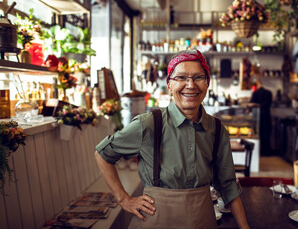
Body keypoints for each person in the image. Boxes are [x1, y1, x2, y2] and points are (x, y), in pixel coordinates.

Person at [94, 49, 249, 229]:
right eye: (181, 77)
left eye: (198, 77)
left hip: (203, 220)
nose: (190, 85)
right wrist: (124, 199)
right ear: (169, 85)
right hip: (155, 220)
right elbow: (102, 154)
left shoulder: (217, 129)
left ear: (207, 83)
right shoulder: (149, 124)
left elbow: (228, 184)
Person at [250, 79, 273, 156]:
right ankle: (267, 152)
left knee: (260, 133)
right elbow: (269, 104)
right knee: (267, 133)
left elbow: (251, 105)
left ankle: (260, 152)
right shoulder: (269, 93)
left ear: (256, 85)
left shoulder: (255, 93)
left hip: (258, 117)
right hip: (267, 116)